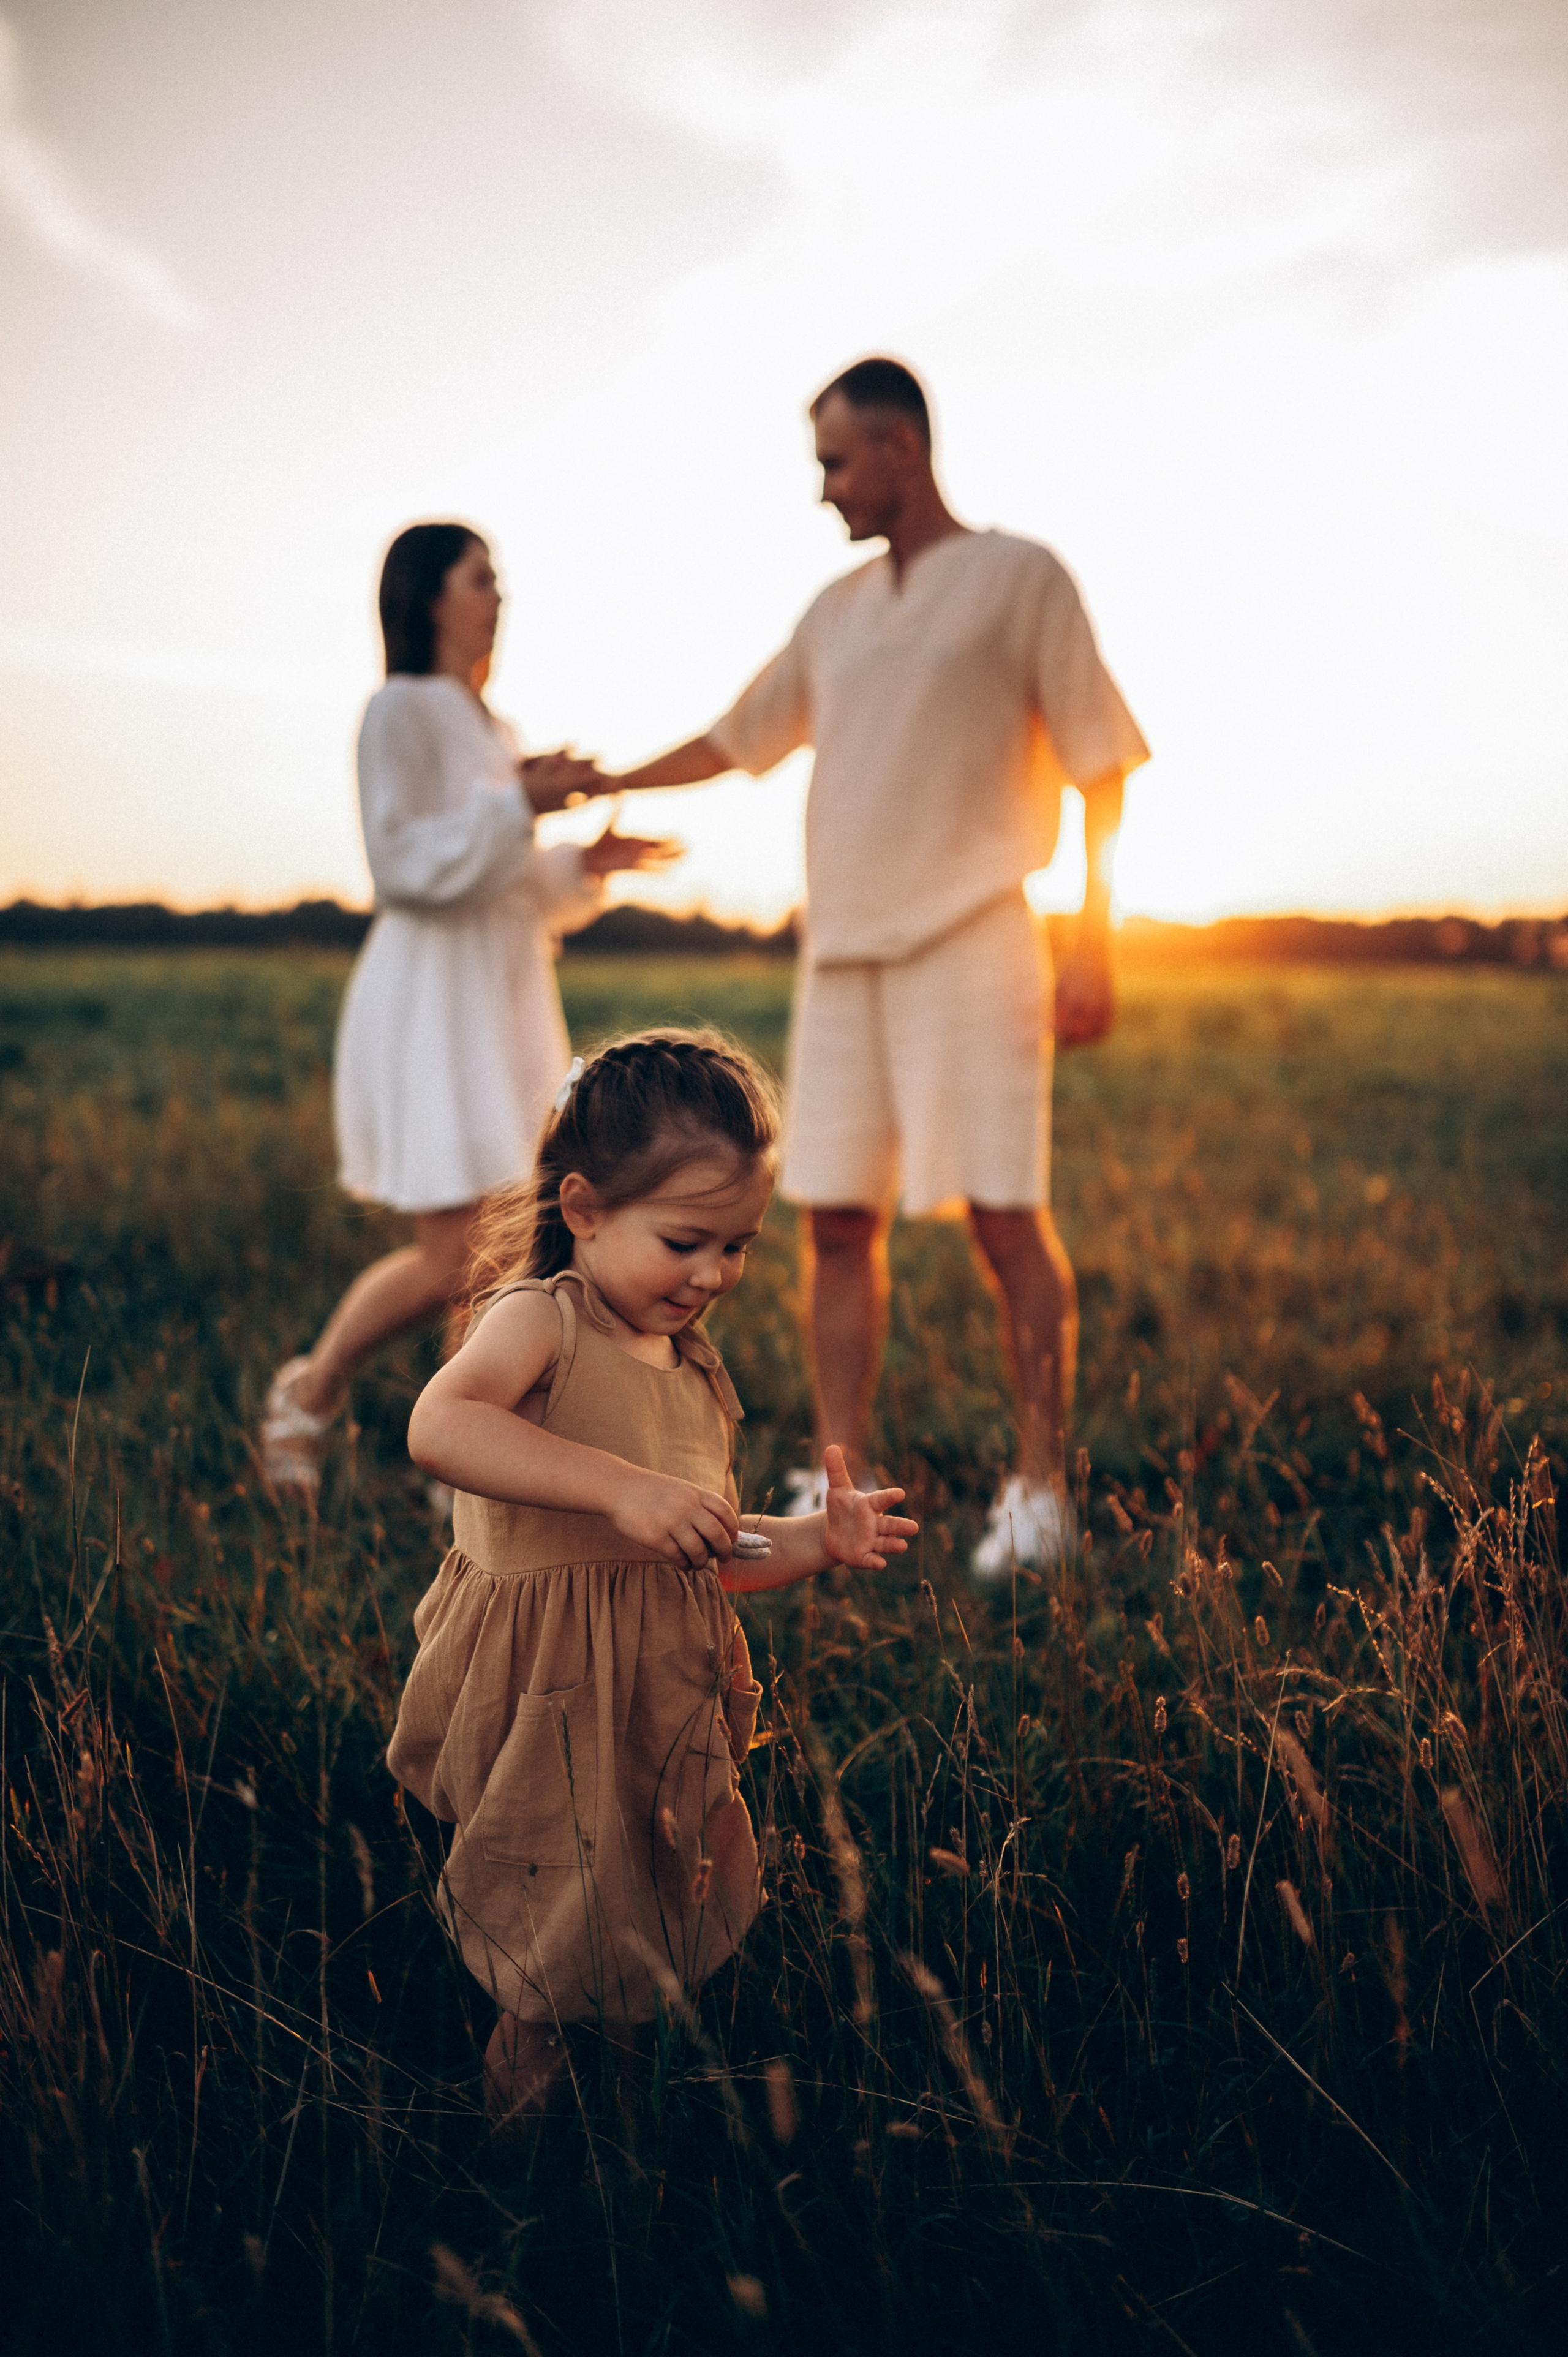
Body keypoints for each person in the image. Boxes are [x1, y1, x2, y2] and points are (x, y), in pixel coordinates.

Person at [605, 359, 1150, 1575]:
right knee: (836, 1221)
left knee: (1005, 1218)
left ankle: (1037, 1489)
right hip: (842, 955)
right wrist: (604, 782)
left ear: (899, 450)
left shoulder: (1021, 578)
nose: (823, 490)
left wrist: (1092, 932)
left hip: (977, 938)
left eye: (833, 463)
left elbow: (1097, 760)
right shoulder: (836, 610)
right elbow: (736, 737)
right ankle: (836, 1475)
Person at [386, 1030, 915, 2125]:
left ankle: (623, 2149)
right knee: (547, 1955)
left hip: (652, 1705)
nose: (714, 1275)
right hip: (547, 1702)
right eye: (685, 1241)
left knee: (637, 1938)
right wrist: (618, 1487)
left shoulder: (690, 1368)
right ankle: (516, 2180)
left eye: (739, 1249)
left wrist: (818, 1538)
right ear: (582, 1208)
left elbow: (701, 1556)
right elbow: (440, 1424)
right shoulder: (544, 1320)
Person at [260, 521, 671, 1494]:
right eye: (481, 576)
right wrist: (516, 806)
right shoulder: (396, 711)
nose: (499, 594)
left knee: (505, 1244)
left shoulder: (496, 730)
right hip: (431, 1005)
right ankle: (309, 1391)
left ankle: (466, 1467)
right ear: (429, 595)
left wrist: (581, 863)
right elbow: (403, 865)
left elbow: (511, 882)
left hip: (502, 999)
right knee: (452, 1253)